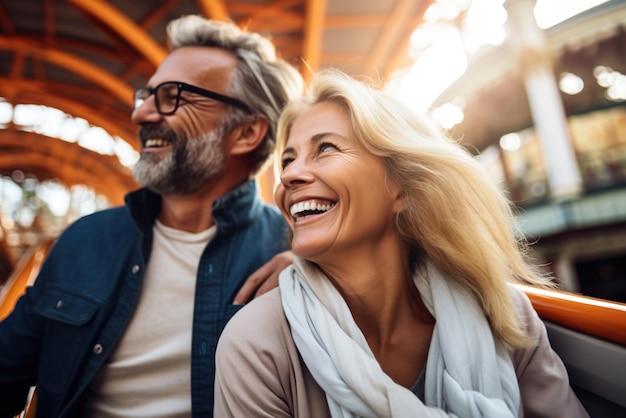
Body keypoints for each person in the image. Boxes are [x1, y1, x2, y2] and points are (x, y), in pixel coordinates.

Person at [214, 69, 589, 417]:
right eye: (288, 160)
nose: (290, 175)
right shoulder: (257, 344)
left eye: (325, 148)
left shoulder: (505, 314)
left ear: (402, 188)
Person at [0, 14, 302, 418]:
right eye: (146, 95)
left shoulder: (298, 255)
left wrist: (316, 270)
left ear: (246, 133)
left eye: (172, 96)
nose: (142, 115)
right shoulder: (83, 240)